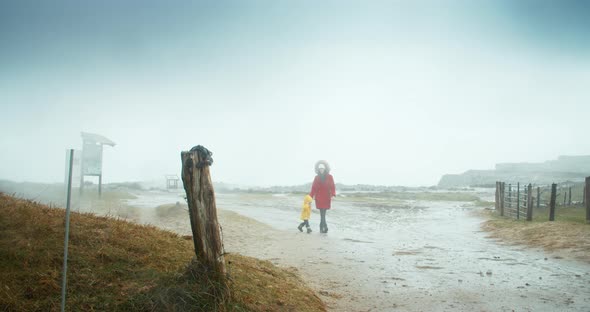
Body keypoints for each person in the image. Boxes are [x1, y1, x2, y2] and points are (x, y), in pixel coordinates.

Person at [309, 160, 336, 233]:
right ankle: (323, 228)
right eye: (320, 169)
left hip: (327, 197)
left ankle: (323, 227)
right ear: (318, 170)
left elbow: (332, 186)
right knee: (322, 213)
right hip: (319, 198)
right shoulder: (316, 177)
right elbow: (313, 188)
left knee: (323, 214)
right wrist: (310, 197)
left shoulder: (330, 177)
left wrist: (333, 194)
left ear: (325, 169)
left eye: (322, 169)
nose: (321, 170)